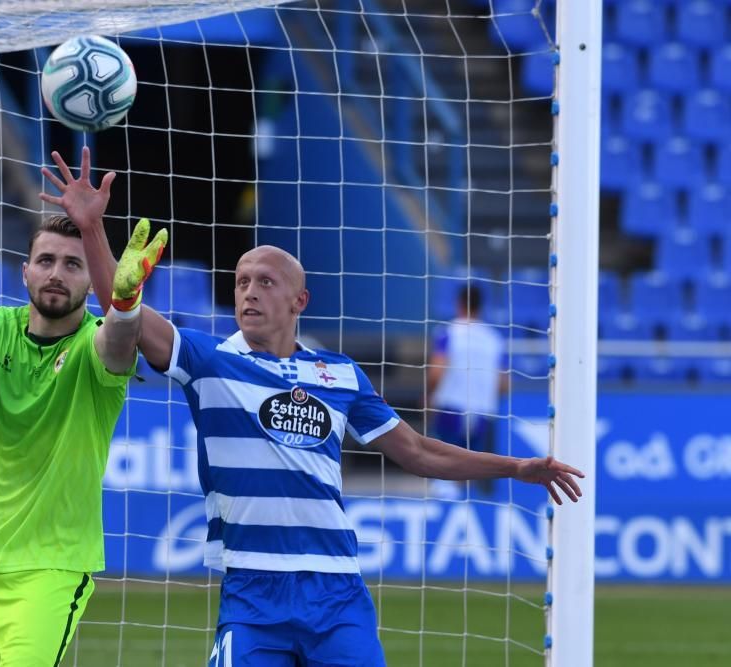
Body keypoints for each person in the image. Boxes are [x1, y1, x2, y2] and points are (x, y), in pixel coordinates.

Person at [41, 150, 584, 667]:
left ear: (300, 301)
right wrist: (92, 230)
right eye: (241, 282)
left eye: (265, 282)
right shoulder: (208, 360)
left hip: (336, 589)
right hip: (252, 589)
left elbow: (417, 452)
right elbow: (126, 308)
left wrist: (515, 467)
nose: (249, 292)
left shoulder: (340, 374)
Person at [0, 148, 167, 666]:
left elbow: (117, 344)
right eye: (45, 261)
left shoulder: (96, 341)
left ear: (90, 280)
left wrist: (127, 303)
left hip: (51, 573)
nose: (56, 273)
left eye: (73, 264)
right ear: (25, 272)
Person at [426, 283, 508, 498]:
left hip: (450, 408)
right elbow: (504, 383)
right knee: (470, 470)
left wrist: (428, 396)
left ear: (459, 303)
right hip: (482, 413)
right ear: (482, 306)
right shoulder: (494, 339)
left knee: (444, 468)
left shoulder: (448, 333)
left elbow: (436, 371)